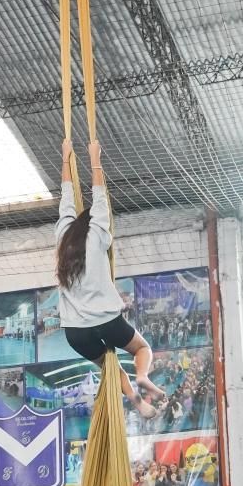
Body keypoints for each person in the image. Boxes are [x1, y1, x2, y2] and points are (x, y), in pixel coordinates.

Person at [55, 140, 162, 417]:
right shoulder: (97, 234)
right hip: (106, 321)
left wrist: (66, 160)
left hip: (75, 331)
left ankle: (137, 402)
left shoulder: (63, 237)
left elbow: (66, 199)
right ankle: (142, 376)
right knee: (142, 348)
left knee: (109, 368)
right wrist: (95, 159)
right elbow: (101, 198)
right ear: (95, 223)